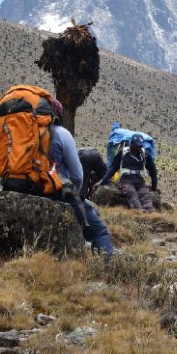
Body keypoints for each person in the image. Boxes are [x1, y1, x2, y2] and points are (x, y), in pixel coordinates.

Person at [48, 99, 115, 257]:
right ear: (58, 114)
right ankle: (106, 270)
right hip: (54, 192)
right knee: (99, 232)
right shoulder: (62, 134)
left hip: (17, 185)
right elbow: (77, 176)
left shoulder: (22, 132)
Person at [97, 133, 157, 212]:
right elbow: (113, 169)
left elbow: (153, 171)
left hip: (140, 182)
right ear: (132, 143)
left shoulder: (145, 155)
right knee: (133, 197)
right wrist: (101, 181)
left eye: (141, 145)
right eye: (138, 145)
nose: (140, 147)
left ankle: (150, 214)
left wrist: (154, 187)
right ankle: (140, 212)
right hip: (126, 181)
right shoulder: (123, 153)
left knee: (147, 201)